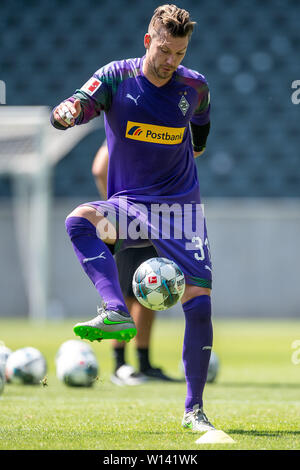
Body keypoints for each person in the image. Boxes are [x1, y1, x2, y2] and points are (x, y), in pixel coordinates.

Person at [51, 4, 215, 432]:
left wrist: (188, 151)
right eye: (164, 50)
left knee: (199, 306)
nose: (171, 61)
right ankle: (114, 311)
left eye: (179, 53)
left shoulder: (194, 86)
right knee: (79, 221)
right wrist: (67, 112)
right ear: (149, 41)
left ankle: (194, 410)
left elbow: (200, 127)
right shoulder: (116, 77)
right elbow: (81, 102)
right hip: (130, 208)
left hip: (181, 211)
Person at [92, 140, 180, 385]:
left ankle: (142, 363)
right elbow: (100, 168)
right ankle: (121, 364)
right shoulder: (124, 127)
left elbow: (100, 169)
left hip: (146, 214)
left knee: (151, 288)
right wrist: (115, 205)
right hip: (138, 213)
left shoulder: (134, 125)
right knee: (133, 291)